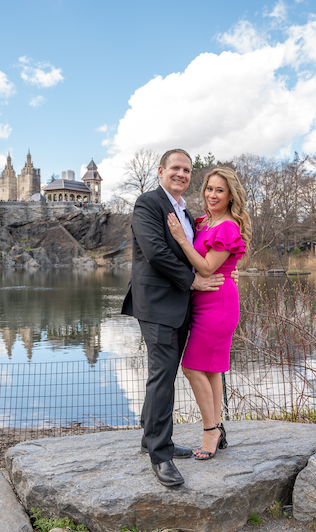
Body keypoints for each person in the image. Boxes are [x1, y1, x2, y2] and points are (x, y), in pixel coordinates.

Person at [121, 149, 225, 487]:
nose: (181, 174)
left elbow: (197, 254)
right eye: (175, 168)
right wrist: (194, 280)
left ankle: (150, 437)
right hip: (156, 304)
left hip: (181, 304)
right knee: (162, 376)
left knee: (163, 374)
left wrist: (225, 272)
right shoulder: (148, 203)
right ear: (162, 170)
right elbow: (155, 252)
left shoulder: (185, 211)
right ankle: (160, 455)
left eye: (187, 170)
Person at [166, 167, 251, 460]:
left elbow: (205, 268)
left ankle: (210, 430)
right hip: (203, 302)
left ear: (231, 197)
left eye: (220, 190)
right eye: (209, 189)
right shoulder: (204, 222)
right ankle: (217, 427)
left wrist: (181, 239)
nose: (212, 195)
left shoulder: (227, 227)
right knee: (211, 369)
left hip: (219, 304)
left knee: (191, 367)